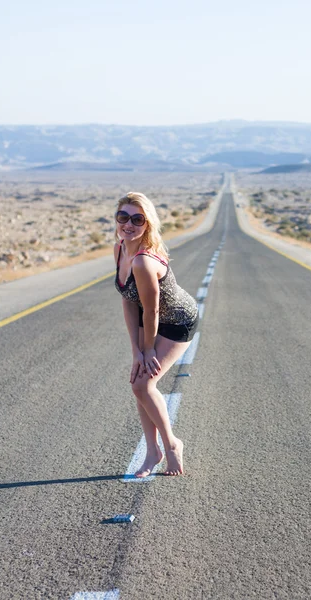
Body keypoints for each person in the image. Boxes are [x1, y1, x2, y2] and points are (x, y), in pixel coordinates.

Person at [114, 192, 199, 477]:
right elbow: (128, 299)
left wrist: (148, 350)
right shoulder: (120, 250)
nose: (129, 224)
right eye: (123, 217)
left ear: (147, 224)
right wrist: (135, 351)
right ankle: (152, 452)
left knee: (143, 385)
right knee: (138, 382)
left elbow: (151, 312)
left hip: (176, 320)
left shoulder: (143, 262)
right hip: (149, 318)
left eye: (138, 219)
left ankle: (171, 444)